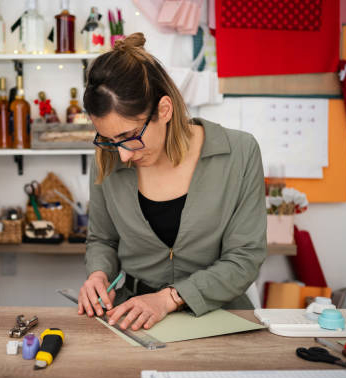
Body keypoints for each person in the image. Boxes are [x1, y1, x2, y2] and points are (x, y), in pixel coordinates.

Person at [78, 33, 267, 332]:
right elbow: (103, 239)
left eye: (130, 137)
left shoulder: (240, 153)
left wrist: (169, 299)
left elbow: (245, 258)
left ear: (164, 110)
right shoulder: (108, 158)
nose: (123, 155)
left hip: (221, 320)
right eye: (110, 140)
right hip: (133, 321)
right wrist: (99, 274)